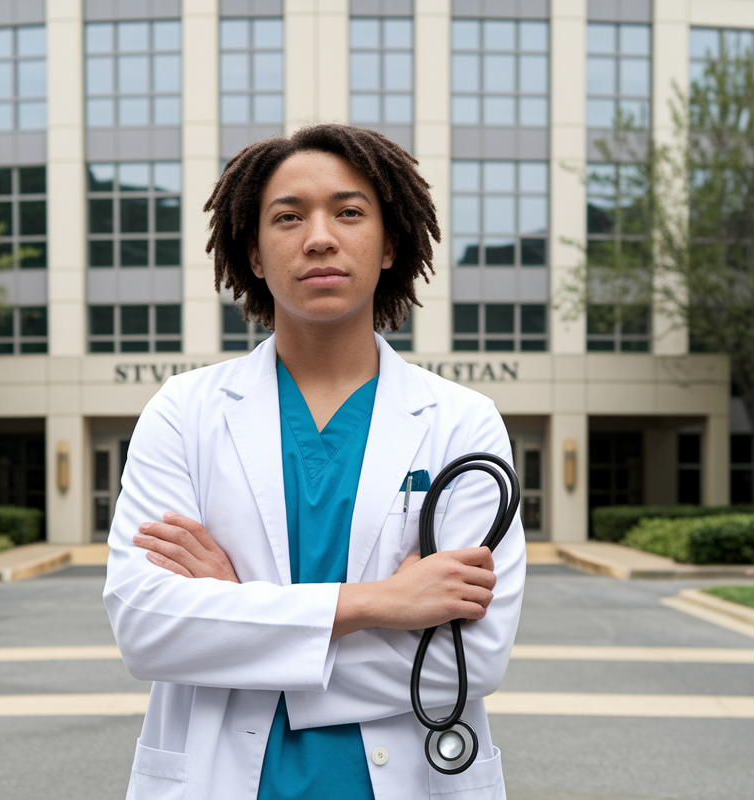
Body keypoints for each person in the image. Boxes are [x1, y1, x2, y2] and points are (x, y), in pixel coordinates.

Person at [103, 124, 526, 800]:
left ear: (390, 244)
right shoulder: (184, 412)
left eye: (349, 211)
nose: (320, 236)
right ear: (256, 253)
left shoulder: (461, 423)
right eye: (289, 217)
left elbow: (467, 661)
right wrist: (379, 604)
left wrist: (236, 614)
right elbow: (148, 629)